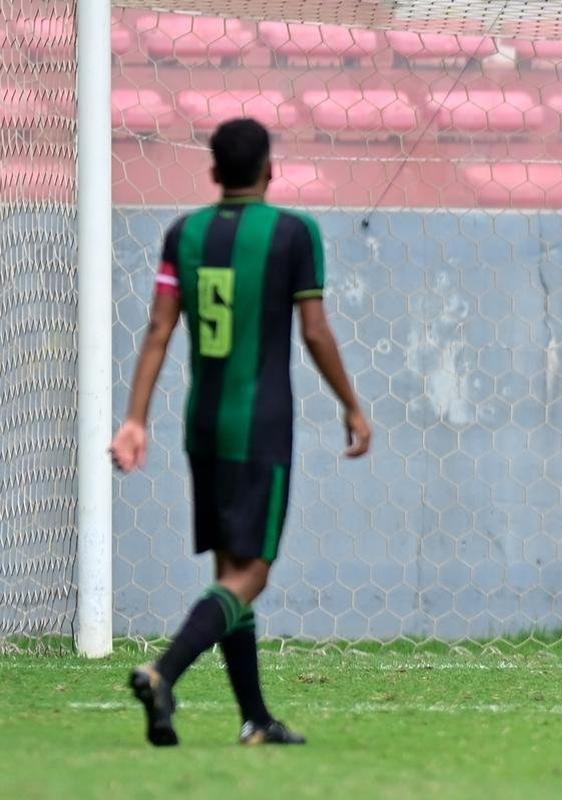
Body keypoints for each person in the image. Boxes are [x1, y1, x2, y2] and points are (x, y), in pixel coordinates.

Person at [109, 117, 372, 745]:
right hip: (260, 425)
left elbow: (157, 331)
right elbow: (314, 331)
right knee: (253, 572)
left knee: (229, 569)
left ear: (213, 173)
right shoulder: (293, 232)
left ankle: (254, 719)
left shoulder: (184, 233)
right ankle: (164, 670)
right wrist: (353, 405)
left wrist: (135, 418)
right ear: (270, 170)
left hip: (202, 422)